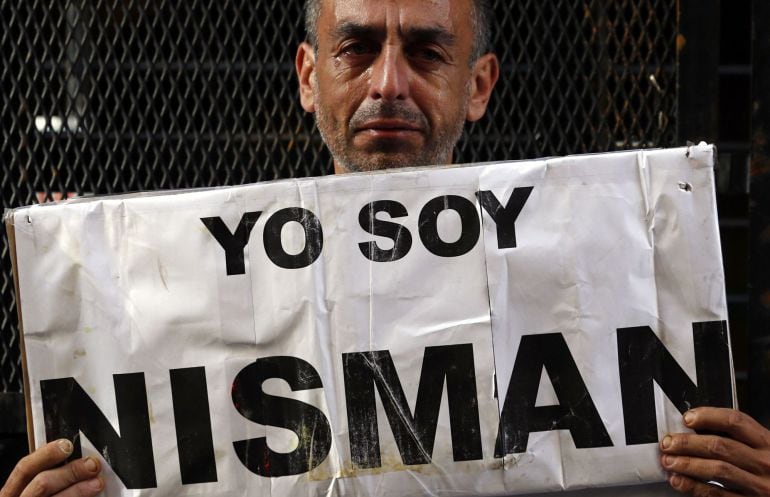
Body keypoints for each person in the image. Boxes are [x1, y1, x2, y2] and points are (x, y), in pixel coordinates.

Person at [1, 1, 769, 497]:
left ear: (479, 84)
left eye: (428, 52)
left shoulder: (612, 285)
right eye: (357, 48)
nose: (389, 83)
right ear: (309, 77)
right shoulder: (176, 298)